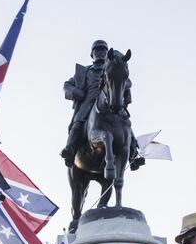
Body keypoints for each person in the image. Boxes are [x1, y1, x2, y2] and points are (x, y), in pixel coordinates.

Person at [61, 40, 143, 169]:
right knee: (78, 121)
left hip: (110, 102)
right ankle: (70, 149)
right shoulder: (84, 71)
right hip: (88, 103)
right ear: (92, 54)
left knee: (126, 123)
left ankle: (133, 153)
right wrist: (76, 92)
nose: (100, 53)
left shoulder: (114, 66)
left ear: (107, 53)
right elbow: (67, 86)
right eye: (97, 50)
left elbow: (126, 81)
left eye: (103, 50)